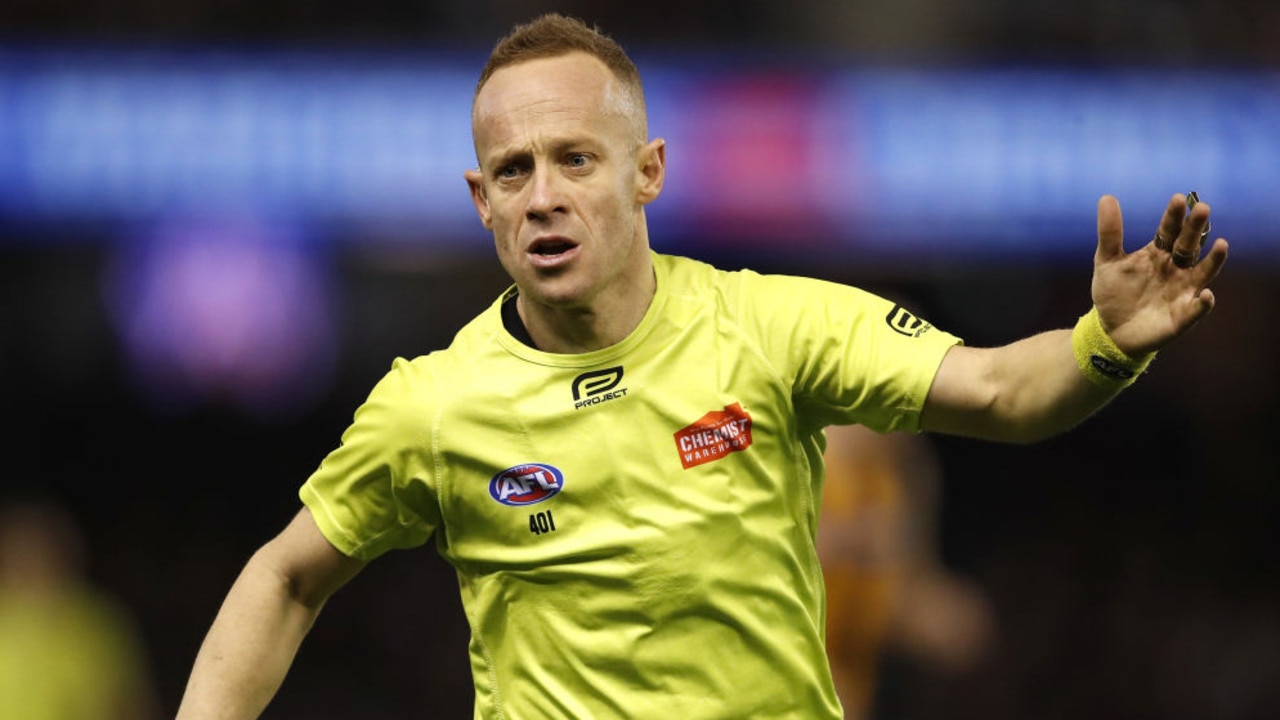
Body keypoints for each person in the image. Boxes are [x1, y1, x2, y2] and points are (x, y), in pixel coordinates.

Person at [175, 12, 1228, 720]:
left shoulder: (770, 328)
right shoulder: (433, 406)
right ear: (480, 201)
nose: (542, 194)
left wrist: (1099, 348)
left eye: (574, 159)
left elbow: (1001, 391)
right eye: (512, 170)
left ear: (646, 174)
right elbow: (283, 575)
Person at [818, 423, 994, 719]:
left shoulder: (853, 656)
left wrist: (845, 540)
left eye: (945, 645)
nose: (944, 629)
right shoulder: (908, 521)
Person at [0, 497, 159, 720]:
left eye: (43, 549)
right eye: (20, 549)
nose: (32, 559)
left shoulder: (100, 622)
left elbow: (129, 703)